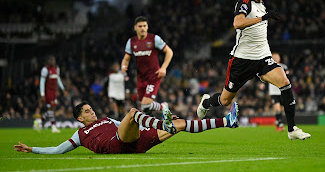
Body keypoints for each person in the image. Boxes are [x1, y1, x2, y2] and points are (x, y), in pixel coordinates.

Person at [197, 0, 310, 140]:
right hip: (242, 60)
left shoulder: (262, 6)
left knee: (285, 83)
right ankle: (206, 102)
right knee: (225, 100)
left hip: (263, 57)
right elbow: (237, 23)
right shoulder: (245, 2)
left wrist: (264, 16)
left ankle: (292, 129)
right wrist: (263, 18)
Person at [14, 101, 239, 154]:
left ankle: (227, 122)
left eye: (91, 109)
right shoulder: (80, 135)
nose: (91, 112)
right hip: (119, 144)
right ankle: (164, 123)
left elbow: (124, 125)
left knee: (180, 124)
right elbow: (56, 150)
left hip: (137, 144)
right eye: (86, 112)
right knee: (132, 113)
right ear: (80, 119)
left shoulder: (106, 121)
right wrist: (31, 149)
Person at [121, 16, 173, 115]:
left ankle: (163, 106)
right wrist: (123, 66)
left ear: (147, 27)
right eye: (140, 26)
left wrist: (163, 68)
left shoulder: (154, 39)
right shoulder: (131, 42)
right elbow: (126, 59)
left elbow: (169, 52)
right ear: (135, 27)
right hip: (140, 77)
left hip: (153, 76)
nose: (142, 28)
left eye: (144, 26)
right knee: (145, 108)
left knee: (145, 104)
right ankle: (150, 128)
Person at [39, 55, 65, 133]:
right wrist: (42, 93)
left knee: (52, 108)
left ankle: (39, 121)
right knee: (51, 108)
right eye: (51, 60)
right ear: (48, 61)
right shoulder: (45, 69)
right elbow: (42, 82)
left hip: (54, 91)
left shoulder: (57, 69)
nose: (52, 62)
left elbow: (58, 80)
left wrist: (63, 89)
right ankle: (53, 127)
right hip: (48, 91)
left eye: (53, 60)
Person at [268, 52, 288, 132]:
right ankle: (280, 125)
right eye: (274, 57)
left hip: (282, 90)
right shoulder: (269, 66)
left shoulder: (283, 67)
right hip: (273, 91)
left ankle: (277, 120)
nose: (275, 58)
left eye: (277, 56)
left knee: (281, 109)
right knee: (277, 108)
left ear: (279, 58)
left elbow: (287, 77)